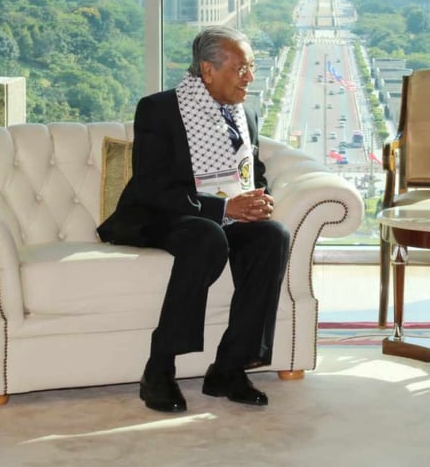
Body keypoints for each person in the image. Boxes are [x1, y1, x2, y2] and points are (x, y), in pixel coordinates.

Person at [98, 25, 290, 413]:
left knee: (273, 235)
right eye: (241, 68)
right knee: (207, 235)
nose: (250, 77)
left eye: (252, 67)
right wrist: (224, 209)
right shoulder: (159, 109)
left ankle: (229, 368)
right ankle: (159, 369)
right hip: (161, 215)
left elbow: (253, 171)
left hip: (219, 218)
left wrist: (258, 200)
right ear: (207, 70)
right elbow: (153, 187)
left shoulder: (245, 114)